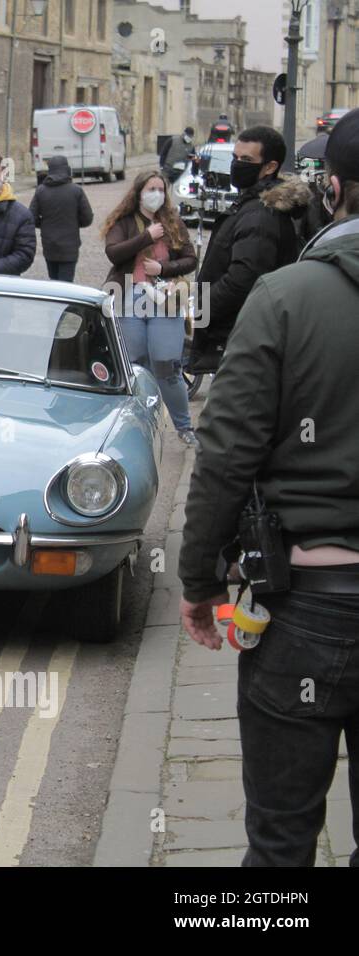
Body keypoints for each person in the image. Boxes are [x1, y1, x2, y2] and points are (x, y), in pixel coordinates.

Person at [178, 109, 359, 867]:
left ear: (336, 188)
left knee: (282, 846)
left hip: (309, 611)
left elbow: (227, 454)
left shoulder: (285, 298)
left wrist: (197, 577)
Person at [190, 125, 311, 371]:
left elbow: (243, 279)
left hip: (244, 341)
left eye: (246, 160)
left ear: (270, 167)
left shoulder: (260, 214)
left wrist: (201, 309)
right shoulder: (252, 205)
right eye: (235, 158)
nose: (237, 165)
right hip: (241, 338)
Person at [102, 170, 199, 445]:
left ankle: (184, 426)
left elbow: (190, 259)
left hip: (164, 300)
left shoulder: (172, 222)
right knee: (136, 366)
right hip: (128, 296)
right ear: (139, 193)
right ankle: (141, 425)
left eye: (160, 189)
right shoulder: (123, 222)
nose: (156, 194)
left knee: (167, 364)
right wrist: (146, 236)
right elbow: (114, 252)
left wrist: (164, 268)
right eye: (150, 189)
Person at [29, 154, 93, 282]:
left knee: (53, 280)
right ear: (67, 169)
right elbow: (87, 218)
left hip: (49, 244)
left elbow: (31, 217)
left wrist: (44, 224)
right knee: (66, 283)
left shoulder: (41, 191)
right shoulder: (76, 191)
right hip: (70, 246)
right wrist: (73, 222)